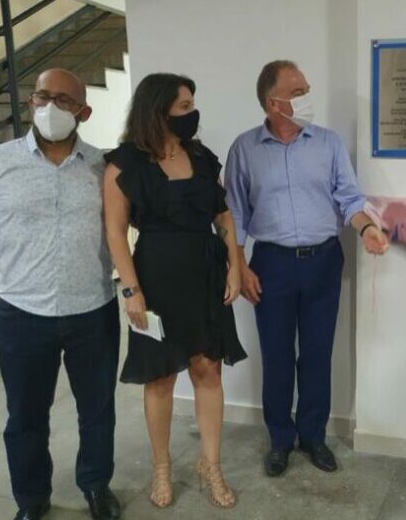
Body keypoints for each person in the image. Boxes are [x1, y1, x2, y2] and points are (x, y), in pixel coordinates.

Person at [0, 69, 121, 520]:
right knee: (26, 415)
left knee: (97, 410)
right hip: (22, 313)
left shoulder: (104, 166)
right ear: (30, 100)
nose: (50, 107)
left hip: (93, 309)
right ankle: (31, 499)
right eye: (41, 96)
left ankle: (96, 485)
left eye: (63, 100)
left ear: (83, 112)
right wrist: (24, 272)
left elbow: (117, 228)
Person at [224, 60, 388, 477]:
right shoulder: (245, 149)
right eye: (297, 92)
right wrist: (239, 265)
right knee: (277, 356)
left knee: (317, 354)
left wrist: (367, 227)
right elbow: (234, 214)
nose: (306, 98)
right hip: (271, 264)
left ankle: (313, 436)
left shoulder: (328, 144)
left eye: (306, 90)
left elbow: (349, 198)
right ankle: (280, 439)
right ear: (272, 102)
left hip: (323, 262)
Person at [103, 73, 246, 509]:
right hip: (155, 280)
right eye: (184, 106)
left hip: (205, 275)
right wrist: (131, 291)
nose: (192, 113)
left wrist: (235, 266)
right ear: (158, 109)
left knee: (209, 370)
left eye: (191, 105)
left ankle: (211, 465)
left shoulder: (200, 155)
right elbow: (115, 231)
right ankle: (162, 467)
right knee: (160, 376)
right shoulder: (125, 163)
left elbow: (223, 215)